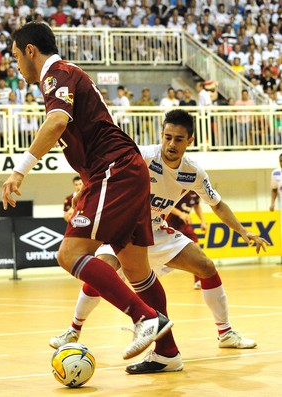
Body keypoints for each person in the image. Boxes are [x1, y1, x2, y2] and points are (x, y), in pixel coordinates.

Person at [1, 22, 174, 361]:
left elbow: (56, 123)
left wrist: (19, 170)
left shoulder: (57, 73)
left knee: (68, 254)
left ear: (30, 51)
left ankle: (144, 317)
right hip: (122, 170)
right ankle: (168, 352)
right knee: (137, 270)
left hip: (114, 169)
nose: (16, 63)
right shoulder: (63, 76)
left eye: (16, 56)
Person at [49, 109, 270, 374]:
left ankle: (225, 333)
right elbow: (103, 174)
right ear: (161, 136)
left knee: (206, 267)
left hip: (156, 232)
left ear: (190, 141)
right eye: (167, 137)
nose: (171, 144)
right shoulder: (141, 157)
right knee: (101, 269)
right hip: (124, 230)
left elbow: (218, 204)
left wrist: (244, 232)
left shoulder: (194, 172)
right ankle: (73, 330)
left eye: (178, 139)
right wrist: (84, 193)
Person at [166, 191, 207, 289]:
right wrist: (180, 214)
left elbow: (197, 206)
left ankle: (198, 281)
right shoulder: (177, 188)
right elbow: (167, 205)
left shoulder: (195, 192)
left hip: (185, 226)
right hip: (170, 226)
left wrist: (203, 221)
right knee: (163, 257)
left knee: (197, 252)